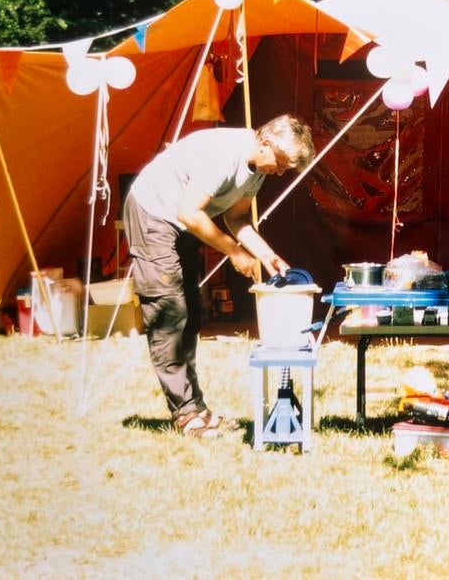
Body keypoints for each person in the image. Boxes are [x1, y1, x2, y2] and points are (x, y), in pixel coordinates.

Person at [123, 114, 315, 439]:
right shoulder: (226, 154)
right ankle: (186, 416)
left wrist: (265, 256)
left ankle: (195, 409)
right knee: (170, 311)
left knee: (191, 314)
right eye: (281, 163)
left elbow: (236, 217)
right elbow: (188, 211)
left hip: (180, 221)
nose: (281, 172)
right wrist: (235, 253)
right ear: (266, 142)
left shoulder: (258, 167)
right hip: (154, 213)